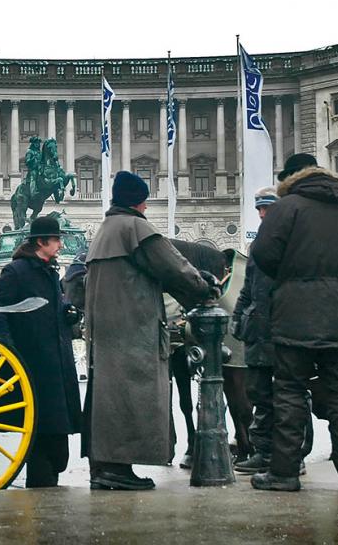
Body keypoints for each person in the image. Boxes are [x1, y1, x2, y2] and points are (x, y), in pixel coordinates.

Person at [250, 153, 338, 493]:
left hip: (295, 314)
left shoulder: (287, 208)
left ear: (292, 178)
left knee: (290, 391)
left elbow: (262, 253)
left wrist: (290, 275)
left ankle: (285, 473)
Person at [84, 171, 214, 491]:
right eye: (144, 201)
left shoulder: (104, 231)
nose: (145, 208)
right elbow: (174, 267)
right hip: (133, 330)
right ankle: (120, 469)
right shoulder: (135, 228)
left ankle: (104, 468)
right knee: (131, 397)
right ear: (138, 201)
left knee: (107, 400)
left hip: (105, 333)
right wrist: (203, 288)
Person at [0, 215, 82, 488]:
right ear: (41, 242)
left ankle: (48, 478)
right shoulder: (15, 272)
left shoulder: (50, 271)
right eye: (56, 240)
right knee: (41, 429)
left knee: (57, 431)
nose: (61, 245)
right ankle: (41, 486)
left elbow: (51, 308)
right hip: (33, 363)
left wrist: (67, 313)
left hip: (56, 363)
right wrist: (8, 350)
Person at [232, 186, 313, 475]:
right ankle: (264, 452)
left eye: (267, 208)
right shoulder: (259, 245)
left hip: (285, 327)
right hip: (259, 330)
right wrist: (239, 316)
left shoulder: (295, 242)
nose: (262, 213)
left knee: (291, 396)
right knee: (259, 394)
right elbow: (248, 287)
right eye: (260, 209)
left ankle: (295, 455)